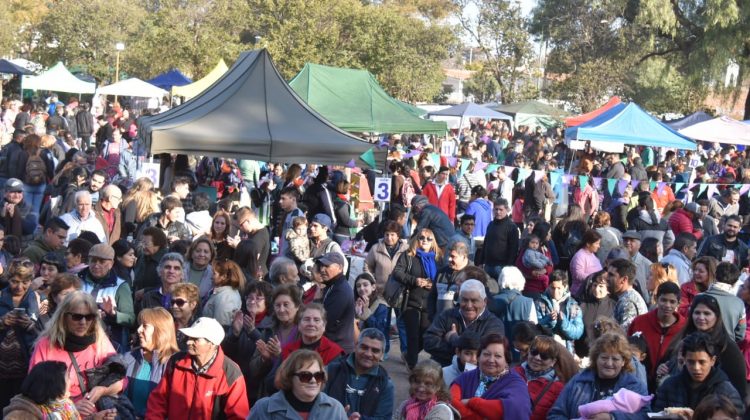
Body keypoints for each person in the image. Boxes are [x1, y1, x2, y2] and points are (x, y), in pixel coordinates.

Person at [28, 291, 122, 418]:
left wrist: (102, 390)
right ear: (64, 317)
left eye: (89, 317)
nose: (83, 322)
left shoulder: (99, 340)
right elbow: (36, 391)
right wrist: (70, 407)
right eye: (77, 317)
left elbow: (121, 379)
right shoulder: (46, 345)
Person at [145, 317, 250, 419]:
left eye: (195, 339)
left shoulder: (231, 373)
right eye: (190, 337)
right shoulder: (176, 362)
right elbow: (158, 400)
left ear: (212, 344)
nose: (188, 342)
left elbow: (238, 416)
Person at [661, 294, 747, 401]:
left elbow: (739, 387)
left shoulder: (727, 347)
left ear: (716, 316)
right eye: (697, 313)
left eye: (707, 313)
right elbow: (668, 364)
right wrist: (663, 369)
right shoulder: (682, 339)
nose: (701, 318)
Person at [548, 332, 649, 419]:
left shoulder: (635, 386)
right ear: (596, 358)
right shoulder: (578, 381)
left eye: (615, 359)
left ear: (623, 361)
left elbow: (645, 416)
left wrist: (613, 417)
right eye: (604, 358)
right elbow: (556, 413)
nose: (609, 363)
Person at [653, 332, 744, 416]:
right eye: (691, 362)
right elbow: (657, 415)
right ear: (684, 360)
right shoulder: (669, 386)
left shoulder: (726, 392)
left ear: (712, 360)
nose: (696, 368)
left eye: (702, 362)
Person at [240, 284, 303, 403]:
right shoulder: (269, 331)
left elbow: (304, 366)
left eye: (286, 305)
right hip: (268, 395)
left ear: (297, 306)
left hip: (294, 395)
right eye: (277, 305)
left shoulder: (302, 332)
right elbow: (253, 369)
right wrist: (265, 359)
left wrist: (281, 355)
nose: (281, 309)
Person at [424, 279, 505, 367]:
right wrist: (462, 352)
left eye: (474, 301)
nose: (469, 306)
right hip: (444, 372)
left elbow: (486, 351)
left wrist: (453, 339)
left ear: (484, 302)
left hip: (477, 376)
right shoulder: (447, 315)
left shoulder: (494, 323)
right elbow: (428, 342)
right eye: (465, 300)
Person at [449, 333, 532, 419]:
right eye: (486, 354)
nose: (491, 360)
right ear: (478, 357)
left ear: (506, 360)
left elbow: (514, 409)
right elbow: (451, 402)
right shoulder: (466, 377)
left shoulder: (516, 384)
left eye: (498, 356)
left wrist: (472, 402)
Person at [392, 228, 442, 369]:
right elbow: (397, 272)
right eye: (422, 238)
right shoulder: (408, 256)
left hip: (429, 304)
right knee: (413, 336)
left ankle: (409, 355)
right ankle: (412, 365)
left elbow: (441, 278)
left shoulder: (438, 258)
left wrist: (433, 285)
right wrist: (415, 280)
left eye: (428, 238)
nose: (425, 241)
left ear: (433, 242)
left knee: (425, 336)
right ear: (417, 239)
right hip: (410, 302)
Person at [249, 349, 347, 420]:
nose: (313, 381)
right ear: (289, 377)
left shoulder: (335, 409)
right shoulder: (264, 408)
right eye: (305, 376)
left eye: (318, 375)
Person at [324, 328, 394, 419]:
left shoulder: (385, 384)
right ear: (356, 346)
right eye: (364, 347)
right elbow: (317, 404)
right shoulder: (331, 370)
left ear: (382, 355)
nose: (368, 354)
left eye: (375, 351)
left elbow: (383, 418)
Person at [0, 257, 42, 407]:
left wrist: (30, 326)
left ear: (31, 281)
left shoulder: (37, 300)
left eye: (25, 282)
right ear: (8, 279)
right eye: (15, 281)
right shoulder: (1, 296)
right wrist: (2, 322)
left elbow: (46, 334)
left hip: (26, 368)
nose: (19, 287)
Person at [627, 281, 686, 390]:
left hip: (669, 385)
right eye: (663, 300)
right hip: (638, 382)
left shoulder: (684, 328)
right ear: (656, 299)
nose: (667, 305)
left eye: (672, 302)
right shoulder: (640, 322)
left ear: (679, 303)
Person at [123, 307, 179, 417]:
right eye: (139, 325)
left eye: (145, 326)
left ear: (160, 331)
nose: (139, 330)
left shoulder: (176, 364)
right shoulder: (128, 357)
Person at [78, 243, 135, 350]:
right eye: (93, 260)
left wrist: (113, 314)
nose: (96, 265)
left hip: (108, 342)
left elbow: (130, 319)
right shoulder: (77, 280)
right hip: (78, 337)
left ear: (111, 264)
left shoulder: (121, 286)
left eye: (102, 262)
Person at [513, 335, 579, 420]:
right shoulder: (513, 373)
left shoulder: (558, 389)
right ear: (528, 352)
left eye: (544, 356)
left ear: (553, 362)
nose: (537, 358)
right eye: (534, 352)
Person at [3, 360, 96, 420]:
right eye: (67, 377)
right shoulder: (23, 413)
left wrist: (95, 418)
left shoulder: (63, 403)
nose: (71, 380)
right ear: (54, 385)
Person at [491, 266, 539, 352]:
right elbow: (533, 328)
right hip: (521, 351)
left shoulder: (493, 301)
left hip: (498, 350)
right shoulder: (528, 302)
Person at [534, 270, 584, 352]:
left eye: (559, 288)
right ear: (548, 286)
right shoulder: (539, 303)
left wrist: (564, 322)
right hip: (545, 350)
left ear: (565, 287)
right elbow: (535, 328)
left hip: (566, 350)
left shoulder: (574, 306)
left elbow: (577, 333)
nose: (555, 292)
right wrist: (549, 320)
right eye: (552, 288)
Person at [316, 252, 356, 354]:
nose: (322, 270)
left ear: (340, 268)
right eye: (321, 266)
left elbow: (325, 320)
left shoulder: (340, 290)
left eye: (326, 266)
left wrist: (316, 301)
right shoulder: (332, 285)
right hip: (333, 346)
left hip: (338, 349)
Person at [394, 359, 459, 420]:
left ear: (438, 386)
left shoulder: (441, 411)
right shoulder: (405, 405)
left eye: (428, 384)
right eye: (417, 382)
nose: (421, 389)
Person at [704, 262, 746, 342]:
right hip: (727, 348)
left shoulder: (699, 298)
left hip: (700, 346)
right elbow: (740, 334)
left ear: (715, 277)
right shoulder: (739, 304)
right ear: (735, 283)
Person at [429, 241, 471, 321]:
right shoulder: (441, 272)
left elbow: (492, 287)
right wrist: (432, 316)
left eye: (453, 256)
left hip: (460, 324)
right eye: (449, 255)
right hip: (439, 322)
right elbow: (432, 296)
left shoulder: (472, 273)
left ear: (464, 257)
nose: (449, 259)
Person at [479, 198, 519, 280]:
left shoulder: (511, 227)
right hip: (488, 265)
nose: (498, 212)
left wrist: (508, 267)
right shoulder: (491, 224)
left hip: (501, 267)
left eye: (501, 209)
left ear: (507, 210)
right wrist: (481, 261)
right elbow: (486, 243)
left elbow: (514, 249)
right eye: (496, 209)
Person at [364, 220, 408, 292]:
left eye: (392, 235)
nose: (389, 238)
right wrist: (372, 282)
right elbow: (367, 266)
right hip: (379, 291)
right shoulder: (375, 248)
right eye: (387, 234)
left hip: (399, 293)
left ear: (398, 236)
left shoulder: (406, 250)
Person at [609, 258, 648, 331]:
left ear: (624, 280)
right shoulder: (625, 297)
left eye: (611, 275)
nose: (607, 278)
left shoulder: (628, 302)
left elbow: (624, 335)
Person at [353, 273, 389, 351]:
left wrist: (366, 312)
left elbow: (378, 330)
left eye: (365, 285)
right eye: (358, 286)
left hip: (374, 347)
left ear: (373, 287)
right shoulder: (356, 303)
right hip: (357, 343)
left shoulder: (381, 305)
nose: (361, 288)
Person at [203, 259, 244, 327]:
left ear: (224, 277)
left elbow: (220, 326)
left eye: (214, 274)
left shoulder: (225, 297)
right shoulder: (222, 293)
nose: (211, 277)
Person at [133, 227, 169, 293]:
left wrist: (145, 291)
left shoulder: (168, 260)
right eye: (142, 243)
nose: (143, 246)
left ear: (158, 244)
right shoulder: (142, 257)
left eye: (146, 244)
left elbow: (168, 286)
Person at [569, 229, 603, 295]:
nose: (599, 246)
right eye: (596, 243)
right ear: (588, 244)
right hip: (580, 293)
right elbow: (578, 275)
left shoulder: (592, 254)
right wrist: (595, 277)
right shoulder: (579, 256)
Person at [169, 283, 200, 350]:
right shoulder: (167, 323)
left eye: (180, 302)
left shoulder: (199, 327)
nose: (174, 306)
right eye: (172, 302)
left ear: (192, 304)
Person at [183, 236, 215, 300]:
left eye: (206, 252)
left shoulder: (215, 274)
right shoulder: (180, 268)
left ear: (211, 255)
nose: (202, 254)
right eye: (198, 251)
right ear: (191, 253)